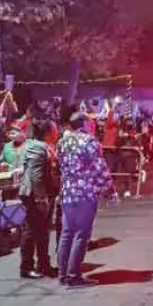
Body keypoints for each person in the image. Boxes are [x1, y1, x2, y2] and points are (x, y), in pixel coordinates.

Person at [56, 112, 114, 289]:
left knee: (67, 233)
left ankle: (63, 274)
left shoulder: (62, 142)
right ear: (83, 124)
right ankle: (74, 276)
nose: (93, 125)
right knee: (82, 234)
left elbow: (60, 166)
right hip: (85, 194)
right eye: (90, 122)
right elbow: (99, 168)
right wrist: (109, 190)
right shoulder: (89, 142)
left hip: (67, 193)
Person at [16, 119, 56, 279]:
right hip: (34, 195)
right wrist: (41, 198)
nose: (56, 132)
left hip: (36, 194)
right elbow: (36, 175)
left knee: (41, 231)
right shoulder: (38, 148)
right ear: (47, 133)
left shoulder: (32, 144)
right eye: (54, 130)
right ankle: (27, 267)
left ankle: (43, 265)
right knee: (32, 231)